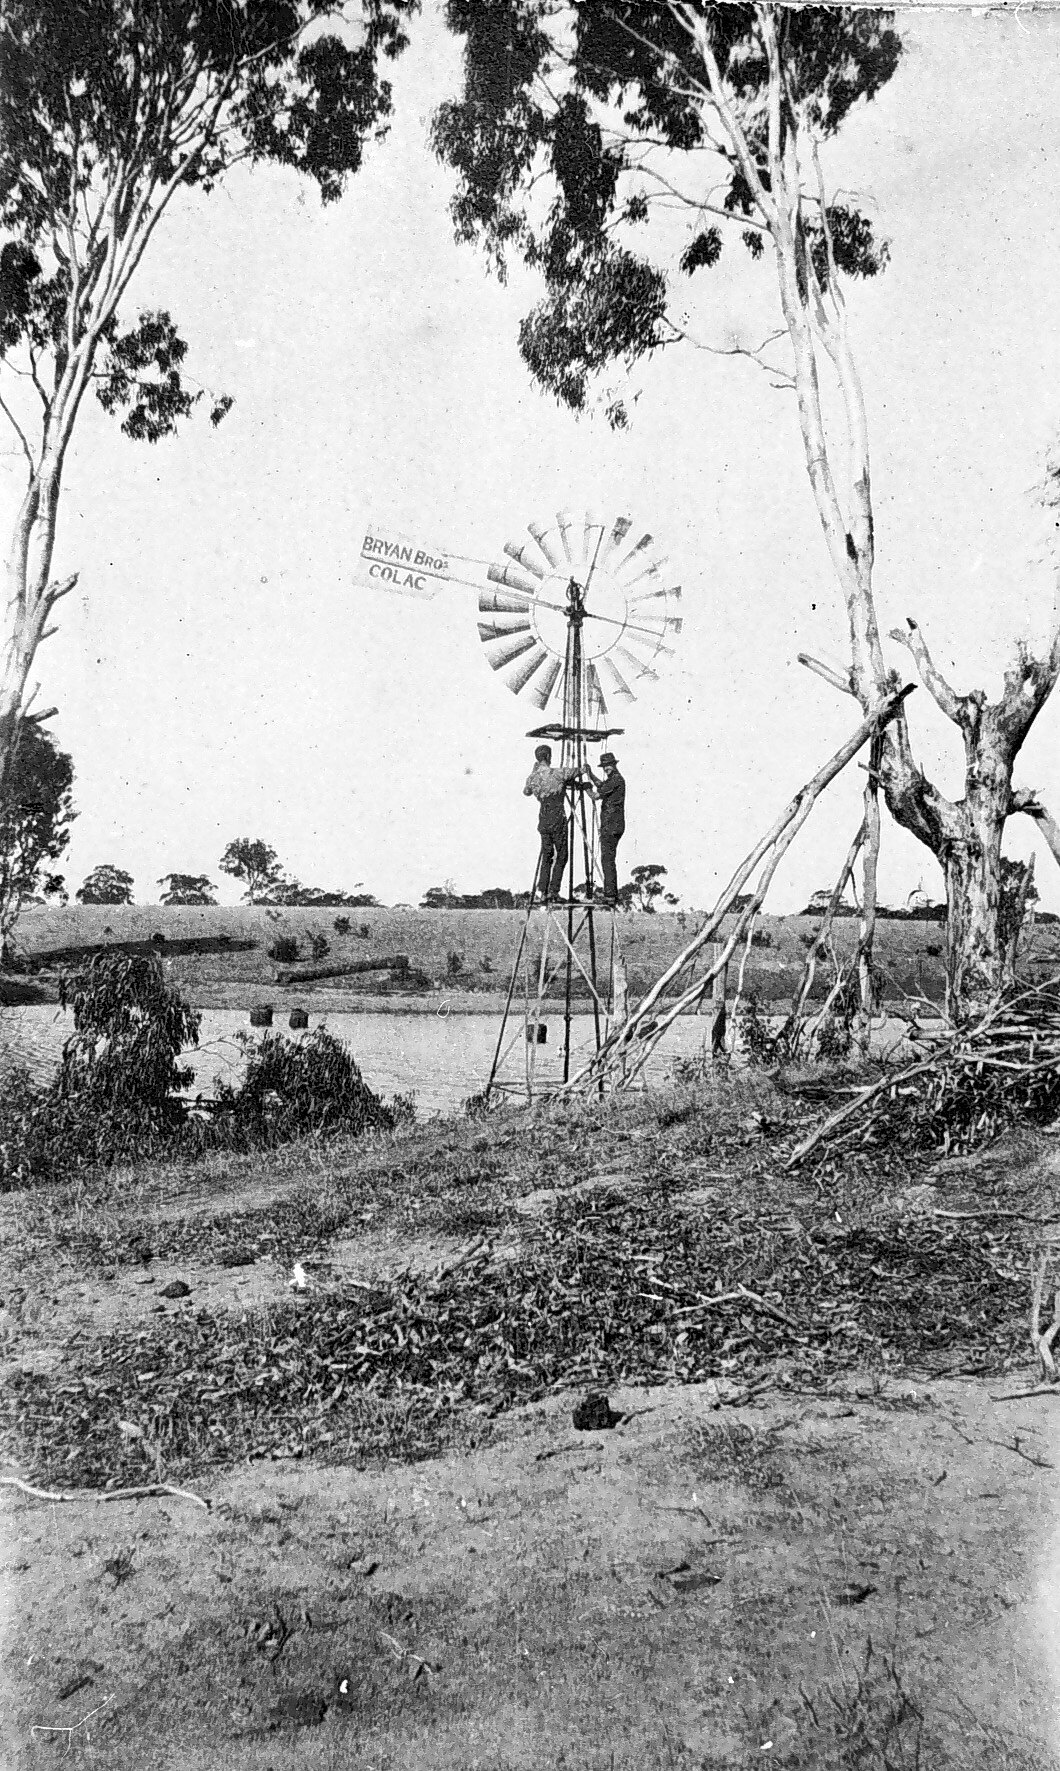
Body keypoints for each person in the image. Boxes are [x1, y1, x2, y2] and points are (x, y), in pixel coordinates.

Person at [524, 743, 580, 904]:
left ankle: (542, 890)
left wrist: (534, 772)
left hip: (543, 816)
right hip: (556, 815)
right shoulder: (556, 773)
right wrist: (585, 769)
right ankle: (554, 891)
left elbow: (526, 791)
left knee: (547, 854)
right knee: (562, 854)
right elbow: (576, 771)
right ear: (548, 756)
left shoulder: (533, 777)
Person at [585, 751, 625, 907]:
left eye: (608, 765)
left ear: (614, 764)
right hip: (613, 825)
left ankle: (610, 895)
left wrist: (587, 788)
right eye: (604, 766)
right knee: (608, 859)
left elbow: (596, 795)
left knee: (607, 859)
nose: (606, 768)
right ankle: (611, 893)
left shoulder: (616, 780)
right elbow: (602, 786)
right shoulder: (613, 780)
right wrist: (590, 774)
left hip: (611, 826)